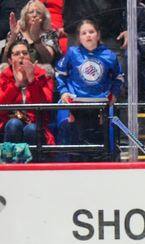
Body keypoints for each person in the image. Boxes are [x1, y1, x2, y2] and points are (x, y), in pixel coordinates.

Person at [55, 19, 124, 161]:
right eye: (84, 33)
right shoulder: (72, 53)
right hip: (77, 106)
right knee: (78, 148)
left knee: (98, 148)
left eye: (91, 32)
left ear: (98, 35)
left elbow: (119, 77)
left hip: (100, 106)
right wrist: (63, 91)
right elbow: (60, 72)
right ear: (79, 37)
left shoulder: (109, 56)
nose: (88, 36)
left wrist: (114, 94)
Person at [0, 40, 55, 147]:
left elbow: (45, 106)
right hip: (8, 125)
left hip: (36, 125)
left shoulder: (44, 76)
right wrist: (16, 85)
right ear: (10, 61)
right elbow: (1, 109)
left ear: (30, 57)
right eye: (17, 54)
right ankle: (9, 162)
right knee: (14, 124)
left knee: (31, 129)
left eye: (25, 53)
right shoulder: (2, 78)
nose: (22, 56)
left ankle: (32, 163)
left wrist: (32, 81)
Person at [3, 1, 62, 66]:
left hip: (42, 72)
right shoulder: (17, 33)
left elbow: (48, 59)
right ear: (25, 16)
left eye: (38, 12)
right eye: (31, 12)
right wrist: (13, 37)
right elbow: (4, 61)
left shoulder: (50, 33)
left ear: (44, 17)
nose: (34, 15)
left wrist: (37, 38)